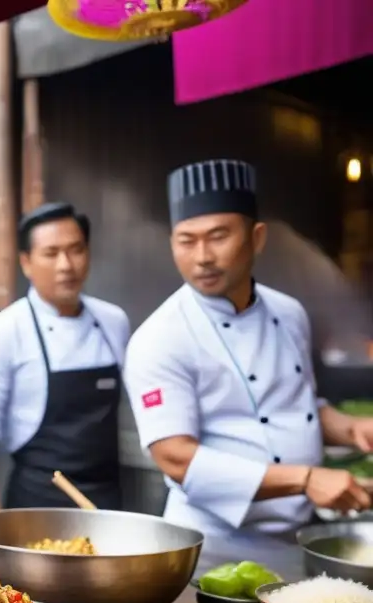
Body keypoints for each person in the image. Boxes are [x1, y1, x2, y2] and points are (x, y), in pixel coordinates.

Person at [123, 159, 373, 540]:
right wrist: (306, 478)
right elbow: (175, 457)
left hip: (300, 532)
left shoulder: (289, 314)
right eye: (186, 240)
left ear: (256, 237)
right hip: (211, 543)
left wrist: (353, 428)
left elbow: (293, 406)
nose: (202, 256)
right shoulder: (159, 337)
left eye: (218, 236)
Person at [0, 202, 131, 513]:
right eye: (51, 253)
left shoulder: (113, 321)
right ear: (26, 262)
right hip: (36, 509)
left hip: (107, 506)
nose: (66, 265)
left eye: (76, 250)